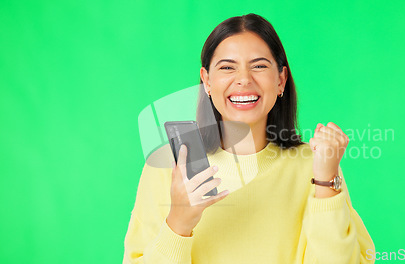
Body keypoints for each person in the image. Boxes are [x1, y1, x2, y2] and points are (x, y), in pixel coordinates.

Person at [123, 13, 375, 264]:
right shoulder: (169, 165)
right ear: (206, 82)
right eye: (227, 67)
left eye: (259, 66)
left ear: (281, 80)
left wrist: (325, 180)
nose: (244, 79)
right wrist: (178, 223)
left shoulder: (315, 164)